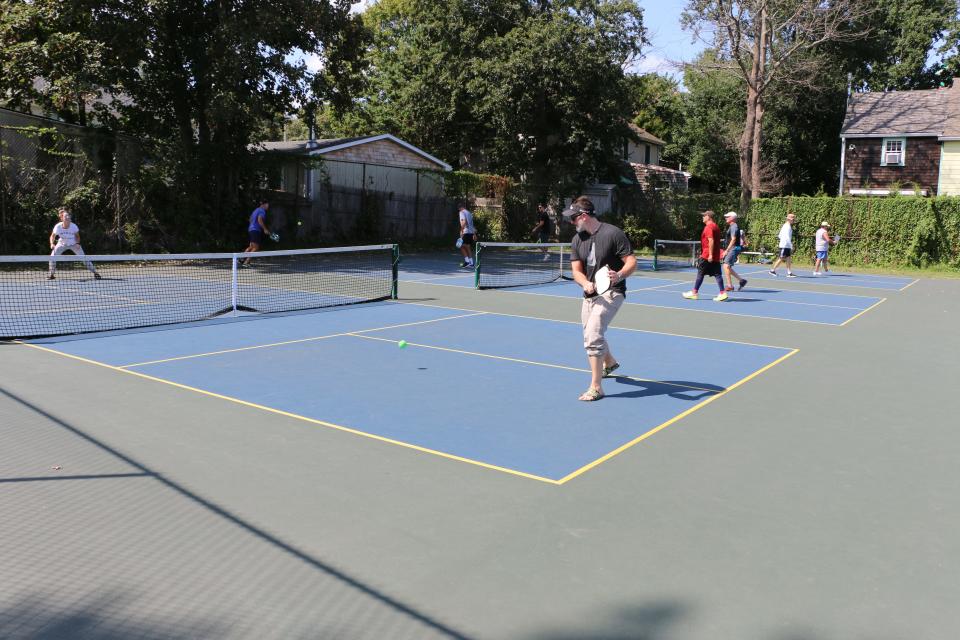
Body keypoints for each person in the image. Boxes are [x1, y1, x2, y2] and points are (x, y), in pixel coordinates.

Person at [565, 196, 637, 402]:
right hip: (589, 294)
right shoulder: (577, 240)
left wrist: (620, 274)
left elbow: (631, 261)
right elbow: (576, 271)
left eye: (573, 219)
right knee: (590, 332)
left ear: (584, 216)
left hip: (612, 292)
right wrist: (584, 283)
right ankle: (610, 362)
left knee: (593, 335)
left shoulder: (613, 234)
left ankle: (596, 387)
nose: (571, 223)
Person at [682, 210, 727, 301]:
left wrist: (710, 254)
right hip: (715, 255)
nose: (702, 217)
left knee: (700, 273)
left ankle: (694, 293)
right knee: (717, 274)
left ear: (708, 217)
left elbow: (711, 240)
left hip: (707, 255)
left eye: (704, 216)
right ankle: (722, 293)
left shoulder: (709, 227)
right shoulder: (715, 226)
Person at [48, 208, 101, 280]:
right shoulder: (58, 227)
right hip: (61, 244)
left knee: (84, 258)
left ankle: (95, 272)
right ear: (62, 218)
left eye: (69, 217)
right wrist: (52, 243)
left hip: (73, 244)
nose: (68, 218)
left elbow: (77, 236)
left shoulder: (74, 226)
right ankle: (51, 274)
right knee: (52, 257)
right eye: (66, 217)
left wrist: (78, 243)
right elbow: (52, 236)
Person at [721, 211, 747, 291]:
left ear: (732, 218)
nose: (726, 218)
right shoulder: (732, 226)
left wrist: (727, 250)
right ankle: (741, 280)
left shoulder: (734, 226)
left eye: (727, 216)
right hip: (733, 248)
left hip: (733, 248)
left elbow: (733, 239)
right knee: (727, 267)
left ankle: (730, 286)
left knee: (725, 266)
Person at [768, 213, 797, 277]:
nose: (793, 221)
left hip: (786, 245)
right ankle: (772, 270)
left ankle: (789, 272)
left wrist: (788, 244)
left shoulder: (787, 226)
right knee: (781, 258)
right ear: (789, 219)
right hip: (784, 245)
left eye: (793, 219)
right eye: (792, 219)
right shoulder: (787, 226)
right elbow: (786, 237)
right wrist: (790, 245)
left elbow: (780, 235)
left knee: (788, 258)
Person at [457, 203, 476, 268]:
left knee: (461, 246)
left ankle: (467, 262)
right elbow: (472, 224)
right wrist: (474, 234)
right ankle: (471, 263)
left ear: (460, 208)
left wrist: (461, 230)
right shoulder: (469, 213)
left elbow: (464, 222)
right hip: (470, 232)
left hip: (466, 232)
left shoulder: (461, 212)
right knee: (467, 246)